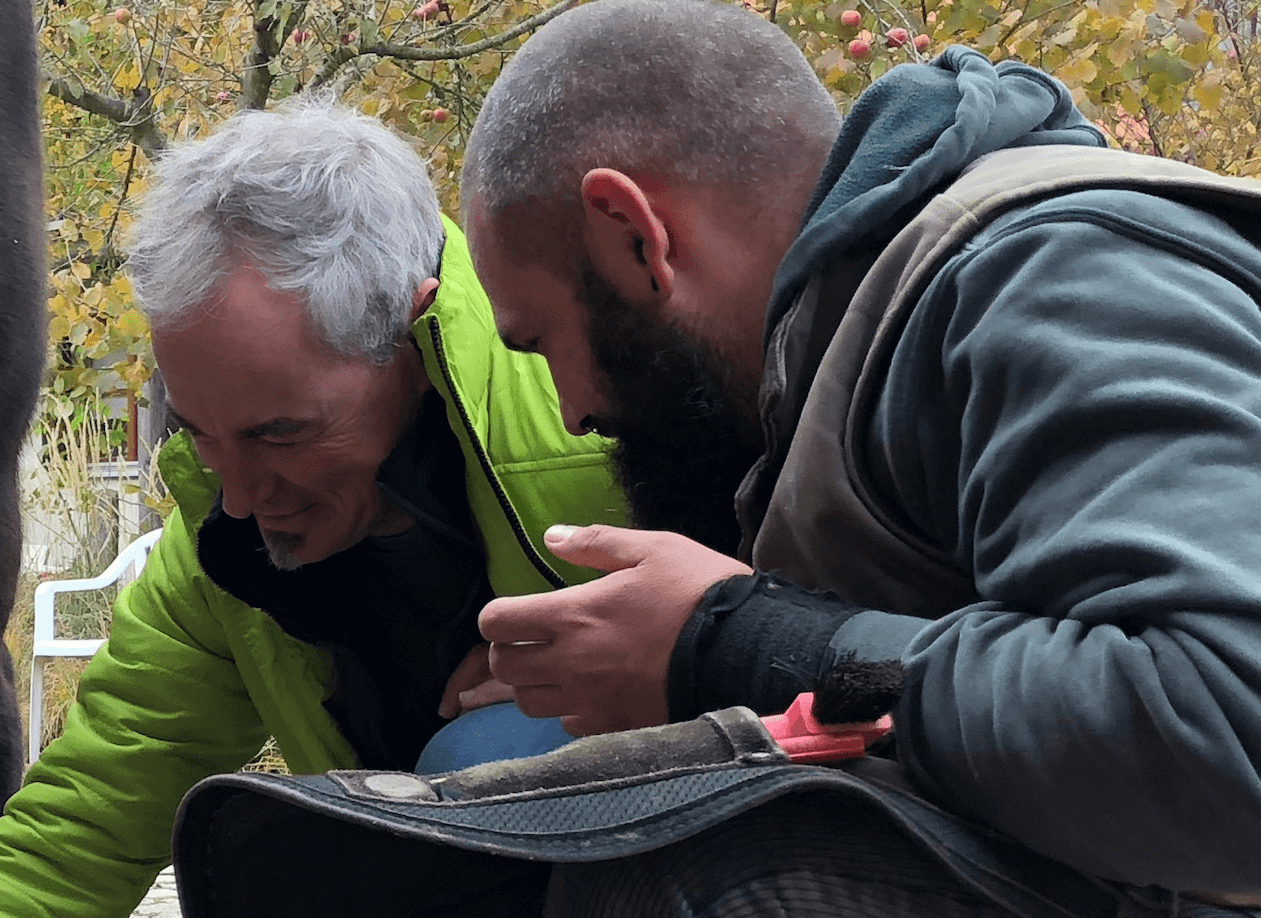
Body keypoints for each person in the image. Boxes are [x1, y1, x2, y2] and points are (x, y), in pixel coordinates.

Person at [459, 0, 1261, 907]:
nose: (571, 414)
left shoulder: (1047, 276)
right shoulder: (818, 362)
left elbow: (1232, 730)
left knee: (700, 861)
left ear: (635, 237)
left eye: (541, 343)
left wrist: (730, 642)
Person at [0, 99, 627, 917]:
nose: (240, 497)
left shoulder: (615, 420)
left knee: (486, 752)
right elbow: (76, 835)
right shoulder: (222, 553)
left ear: (413, 335)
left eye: (280, 433)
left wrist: (654, 672)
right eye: (201, 433)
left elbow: (765, 639)